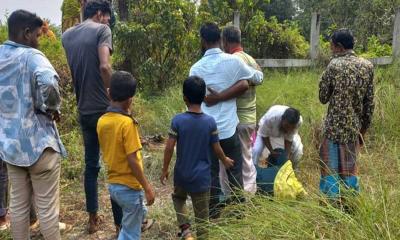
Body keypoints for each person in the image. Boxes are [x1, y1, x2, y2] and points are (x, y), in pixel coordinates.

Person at [0, 10, 65, 240]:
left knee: (18, 205)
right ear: (27, 33)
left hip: (11, 147)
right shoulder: (33, 56)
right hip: (39, 146)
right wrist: (52, 108)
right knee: (47, 210)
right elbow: (48, 82)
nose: (38, 40)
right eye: (37, 35)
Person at [189, 22, 263, 218]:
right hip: (229, 130)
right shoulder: (233, 62)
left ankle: (213, 211)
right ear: (220, 39)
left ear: (203, 41)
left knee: (211, 171)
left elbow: (195, 99)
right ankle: (238, 212)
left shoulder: (195, 68)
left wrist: (216, 97)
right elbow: (257, 77)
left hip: (207, 131)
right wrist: (227, 92)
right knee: (235, 169)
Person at [62, 0, 115, 233]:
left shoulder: (66, 36)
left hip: (84, 109)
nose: (108, 22)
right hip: (105, 108)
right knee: (116, 163)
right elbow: (104, 67)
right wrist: (115, 96)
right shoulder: (102, 30)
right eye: (107, 18)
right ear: (101, 14)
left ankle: (93, 220)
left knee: (91, 165)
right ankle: (122, 222)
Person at [160, 76, 234, 239]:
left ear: (184, 98)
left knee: (178, 198)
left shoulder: (177, 120)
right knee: (202, 218)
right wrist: (225, 160)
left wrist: (165, 169)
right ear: (203, 98)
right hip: (202, 179)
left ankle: (186, 230)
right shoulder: (210, 122)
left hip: (182, 176)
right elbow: (217, 148)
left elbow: (169, 147)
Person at [97, 71, 156, 239]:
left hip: (114, 186)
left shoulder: (102, 121)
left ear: (109, 93)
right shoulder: (127, 123)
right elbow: (132, 160)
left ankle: (140, 217)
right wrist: (148, 187)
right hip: (129, 187)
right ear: (130, 99)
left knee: (136, 211)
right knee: (130, 233)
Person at [318, 29, 374, 204]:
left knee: (330, 169)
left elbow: (323, 97)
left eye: (331, 45)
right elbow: (369, 104)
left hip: (333, 130)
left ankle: (331, 204)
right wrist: (362, 131)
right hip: (353, 130)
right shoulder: (367, 66)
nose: (330, 49)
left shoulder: (334, 66)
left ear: (339, 47)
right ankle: (350, 203)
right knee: (349, 170)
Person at [210, 25, 262, 195]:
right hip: (249, 118)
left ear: (224, 41)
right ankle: (243, 195)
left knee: (235, 162)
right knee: (245, 158)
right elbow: (260, 76)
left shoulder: (234, 60)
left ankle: (242, 198)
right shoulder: (250, 59)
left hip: (237, 119)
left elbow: (243, 85)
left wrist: (218, 97)